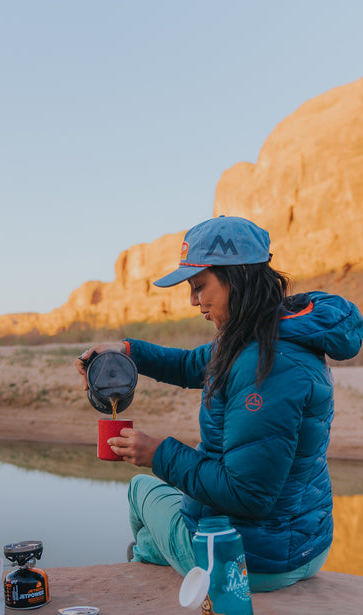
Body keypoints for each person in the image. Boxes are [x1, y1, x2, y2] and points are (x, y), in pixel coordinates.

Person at [76, 216, 363, 591]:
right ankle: (153, 551)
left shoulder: (266, 363)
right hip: (296, 544)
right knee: (175, 493)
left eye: (199, 286)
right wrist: (126, 351)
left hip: (247, 560)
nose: (194, 300)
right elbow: (190, 364)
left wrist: (157, 452)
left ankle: (151, 559)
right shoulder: (265, 332)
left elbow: (249, 494)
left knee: (141, 490)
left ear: (238, 276)